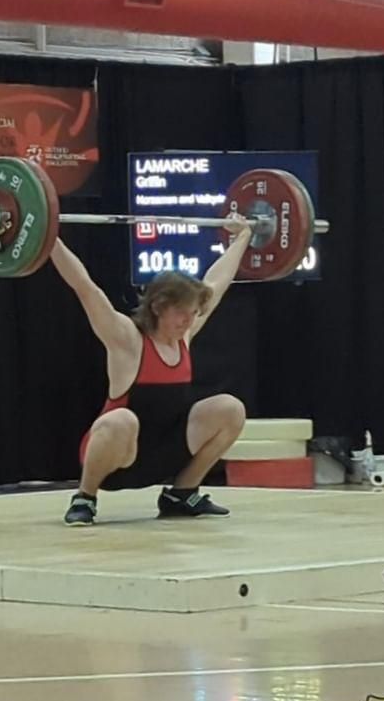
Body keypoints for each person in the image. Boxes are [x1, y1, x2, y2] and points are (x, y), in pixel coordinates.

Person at [50, 215, 252, 526]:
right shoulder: (127, 339)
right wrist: (48, 236)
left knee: (230, 409)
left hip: (162, 454)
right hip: (118, 459)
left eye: (193, 312)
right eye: (181, 312)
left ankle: (181, 494)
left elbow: (217, 282)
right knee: (120, 419)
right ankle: (85, 497)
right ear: (157, 306)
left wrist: (243, 237)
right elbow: (84, 287)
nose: (189, 320)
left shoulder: (183, 336)